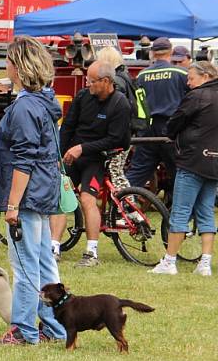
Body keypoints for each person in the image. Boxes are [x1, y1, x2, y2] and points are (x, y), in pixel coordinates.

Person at [0, 36, 67, 345]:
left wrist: (12, 206)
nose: (6, 67)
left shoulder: (25, 107)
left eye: (9, 62)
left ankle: (24, 331)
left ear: (18, 67)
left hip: (27, 193)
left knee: (25, 267)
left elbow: (24, 159)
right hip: (44, 190)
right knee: (44, 262)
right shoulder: (45, 102)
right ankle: (54, 327)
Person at [50, 61, 131, 267]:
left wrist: (82, 148)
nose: (88, 85)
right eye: (87, 80)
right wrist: (60, 153)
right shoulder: (83, 97)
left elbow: (116, 139)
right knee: (59, 197)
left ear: (106, 81)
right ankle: (53, 248)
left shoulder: (120, 103)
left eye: (92, 81)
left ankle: (91, 253)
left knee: (87, 199)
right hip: (72, 156)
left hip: (97, 158)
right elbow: (68, 126)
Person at [149, 61, 218, 276]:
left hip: (193, 160)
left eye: (191, 78)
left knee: (179, 212)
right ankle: (205, 263)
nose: (188, 83)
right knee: (206, 212)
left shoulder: (197, 96)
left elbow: (175, 122)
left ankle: (169, 261)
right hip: (215, 163)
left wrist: (173, 133)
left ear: (205, 76)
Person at [126, 37, 189, 190]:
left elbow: (137, 105)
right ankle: (180, 211)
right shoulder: (181, 73)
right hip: (172, 129)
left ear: (153, 53)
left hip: (148, 129)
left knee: (138, 171)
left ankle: (122, 204)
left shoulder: (141, 75)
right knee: (179, 173)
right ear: (171, 52)